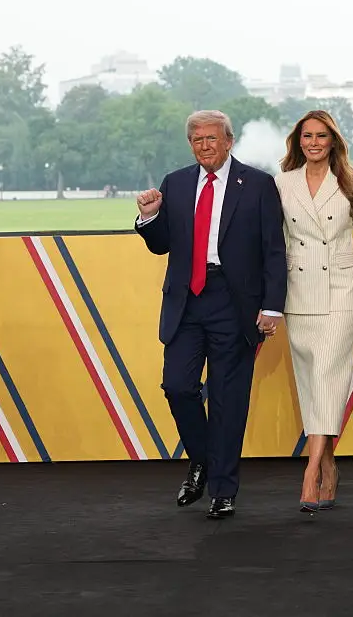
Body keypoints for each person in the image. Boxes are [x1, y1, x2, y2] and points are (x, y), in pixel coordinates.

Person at [134, 109, 286, 520]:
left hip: (235, 305)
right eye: (197, 140)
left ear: (228, 141)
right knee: (177, 386)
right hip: (186, 302)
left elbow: (274, 250)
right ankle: (200, 459)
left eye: (212, 139)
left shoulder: (257, 185)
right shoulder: (176, 183)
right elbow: (161, 244)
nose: (205, 146)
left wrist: (272, 307)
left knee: (227, 401)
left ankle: (222, 490)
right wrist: (149, 217)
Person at [273, 110, 353, 513]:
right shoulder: (282, 183)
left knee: (328, 378)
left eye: (321, 136)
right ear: (298, 141)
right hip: (299, 293)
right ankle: (331, 465)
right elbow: (277, 244)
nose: (313, 142)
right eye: (307, 136)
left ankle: (310, 473)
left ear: (333, 140)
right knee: (312, 385)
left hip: (342, 291)